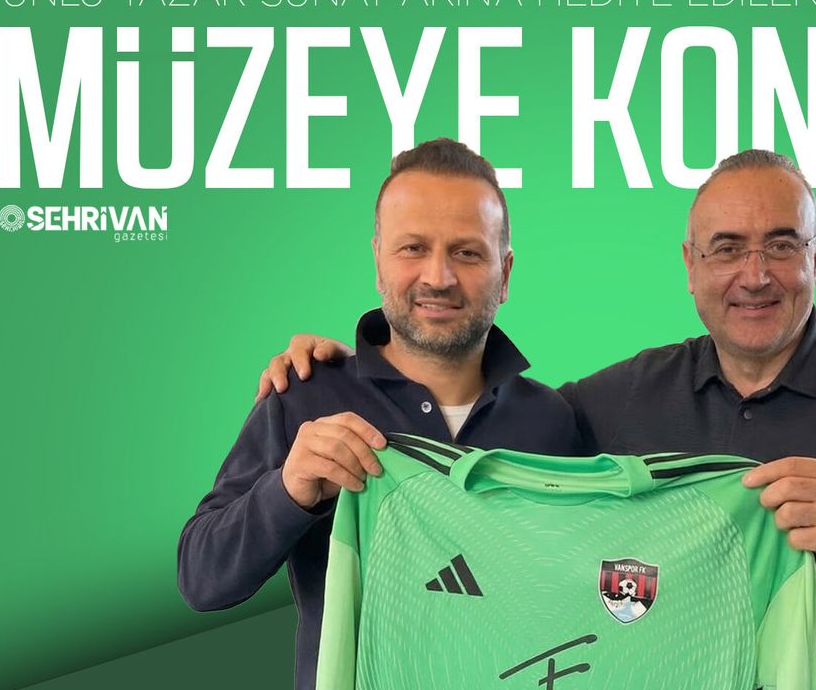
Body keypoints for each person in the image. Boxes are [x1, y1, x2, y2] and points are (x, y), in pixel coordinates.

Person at [262, 149, 816, 690]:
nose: (754, 275)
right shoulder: (608, 402)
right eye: (726, 249)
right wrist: (360, 372)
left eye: (781, 246)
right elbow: (485, 453)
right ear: (691, 266)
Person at [178, 138, 577, 690]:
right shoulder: (302, 396)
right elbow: (201, 580)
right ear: (378, 261)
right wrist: (288, 489)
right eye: (413, 248)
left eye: (467, 253)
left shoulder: (553, 421)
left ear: (505, 273)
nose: (438, 277)